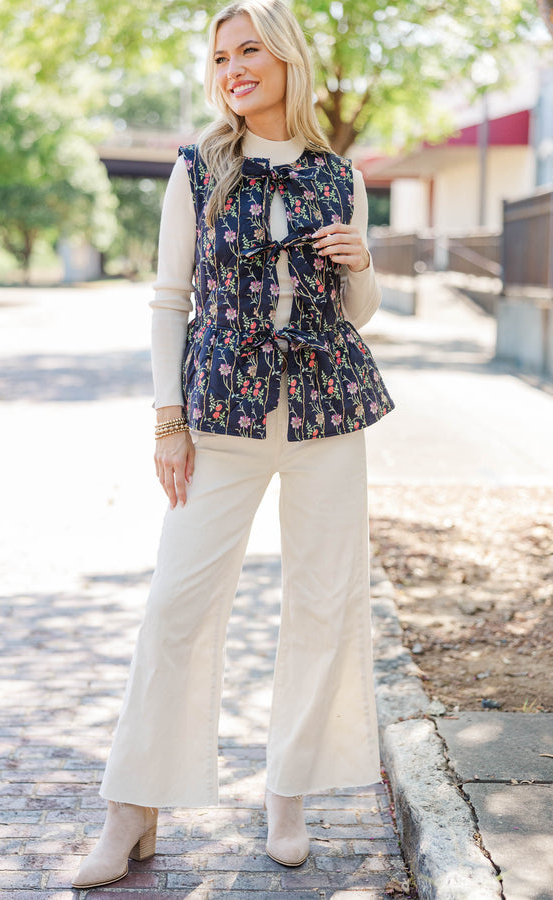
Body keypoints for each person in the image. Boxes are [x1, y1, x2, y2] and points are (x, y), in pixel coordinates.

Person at [71, 0, 394, 889]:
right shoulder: (198, 169)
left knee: (324, 604)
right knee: (176, 604)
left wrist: (362, 264)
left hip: (327, 418)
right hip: (222, 418)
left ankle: (286, 791)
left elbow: (356, 318)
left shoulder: (340, 174)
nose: (233, 68)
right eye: (221, 57)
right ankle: (131, 809)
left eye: (250, 49)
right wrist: (167, 423)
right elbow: (170, 299)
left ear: (287, 57)